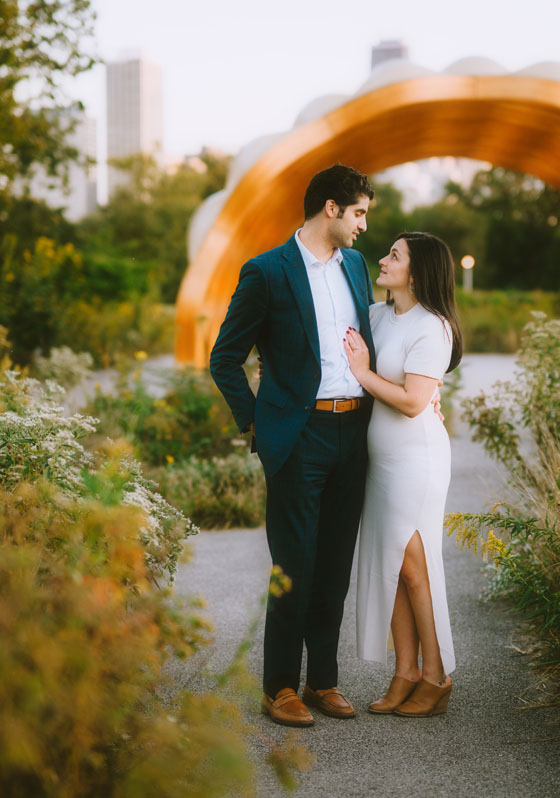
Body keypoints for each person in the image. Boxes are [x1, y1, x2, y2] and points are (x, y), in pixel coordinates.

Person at [209, 164, 376, 727]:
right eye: (358, 213)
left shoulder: (355, 267)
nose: (363, 226)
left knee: (334, 564)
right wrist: (258, 423)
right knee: (295, 565)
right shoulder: (266, 272)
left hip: (353, 432)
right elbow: (224, 358)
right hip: (298, 438)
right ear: (330, 207)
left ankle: (322, 680)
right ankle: (278, 685)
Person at [342, 231, 463, 717]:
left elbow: (415, 402)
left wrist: (363, 374)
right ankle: (404, 672)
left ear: (417, 271)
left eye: (395, 255)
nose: (383, 259)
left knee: (414, 569)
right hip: (381, 461)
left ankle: (436, 676)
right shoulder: (376, 315)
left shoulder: (432, 327)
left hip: (417, 459)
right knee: (392, 569)